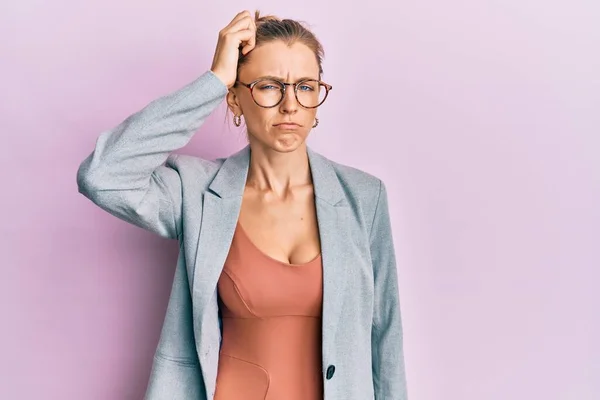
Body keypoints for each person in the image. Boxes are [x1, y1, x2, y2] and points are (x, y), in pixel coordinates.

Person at [76, 9, 408, 400]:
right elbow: (103, 175)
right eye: (269, 86)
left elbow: (385, 337)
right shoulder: (196, 192)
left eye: (305, 86)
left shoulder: (363, 197)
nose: (290, 105)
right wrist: (213, 81)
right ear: (234, 99)